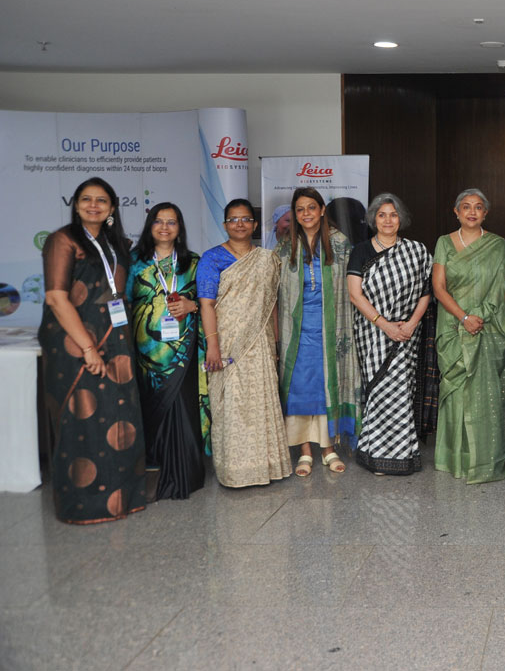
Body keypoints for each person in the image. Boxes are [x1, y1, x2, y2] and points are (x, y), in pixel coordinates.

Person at [39, 177, 146, 523]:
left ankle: (123, 500)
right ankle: (86, 506)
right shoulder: (63, 240)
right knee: (82, 418)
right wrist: (87, 347)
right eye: (86, 199)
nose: (94, 205)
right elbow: (56, 298)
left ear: (112, 207)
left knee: (118, 416)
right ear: (76, 204)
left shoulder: (116, 244)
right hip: (75, 344)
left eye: (101, 200)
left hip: (116, 341)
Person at [198, 199, 292, 487]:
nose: (239, 224)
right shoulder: (211, 258)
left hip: (260, 343)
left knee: (261, 401)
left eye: (245, 219)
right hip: (226, 343)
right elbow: (206, 304)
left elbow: (271, 305)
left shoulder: (267, 259)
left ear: (254, 225)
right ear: (225, 224)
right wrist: (213, 346)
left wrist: (276, 343)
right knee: (232, 404)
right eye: (233, 219)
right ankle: (235, 470)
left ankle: (265, 466)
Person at [431, 189, 505, 483]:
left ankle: (484, 459)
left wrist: (479, 316)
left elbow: (504, 288)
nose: (471, 212)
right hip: (453, 326)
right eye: (465, 207)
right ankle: (455, 458)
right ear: (456, 212)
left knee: (485, 395)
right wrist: (464, 317)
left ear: (485, 213)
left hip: (488, 326)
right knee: (457, 392)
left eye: (478, 207)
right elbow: (439, 287)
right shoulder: (444, 243)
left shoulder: (497, 245)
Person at [275, 187, 360, 477]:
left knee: (326, 385)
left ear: (322, 210)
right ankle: (304, 451)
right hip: (296, 331)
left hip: (331, 328)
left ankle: (328, 448)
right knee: (301, 388)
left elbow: (353, 286)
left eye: (311, 207)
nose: (306, 214)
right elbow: (273, 290)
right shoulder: (285, 246)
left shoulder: (339, 243)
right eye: (300, 209)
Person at [347, 193, 433, 475]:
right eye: (382, 215)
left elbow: (426, 291)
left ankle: (402, 454)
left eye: (393, 215)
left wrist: (410, 325)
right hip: (373, 333)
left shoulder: (416, 251)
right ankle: (376, 454)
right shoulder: (361, 251)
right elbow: (355, 295)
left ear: (401, 219)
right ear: (373, 219)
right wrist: (385, 325)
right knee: (379, 391)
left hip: (407, 333)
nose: (387, 220)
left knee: (402, 392)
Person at [127, 202, 206, 500]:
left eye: (171, 222)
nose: (164, 227)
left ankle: (187, 472)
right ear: (150, 226)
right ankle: (153, 469)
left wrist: (192, 305)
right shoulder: (134, 262)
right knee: (148, 406)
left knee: (183, 407)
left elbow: (211, 303)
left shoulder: (193, 262)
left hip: (182, 352)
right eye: (158, 221)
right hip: (144, 352)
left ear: (179, 228)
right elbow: (123, 301)